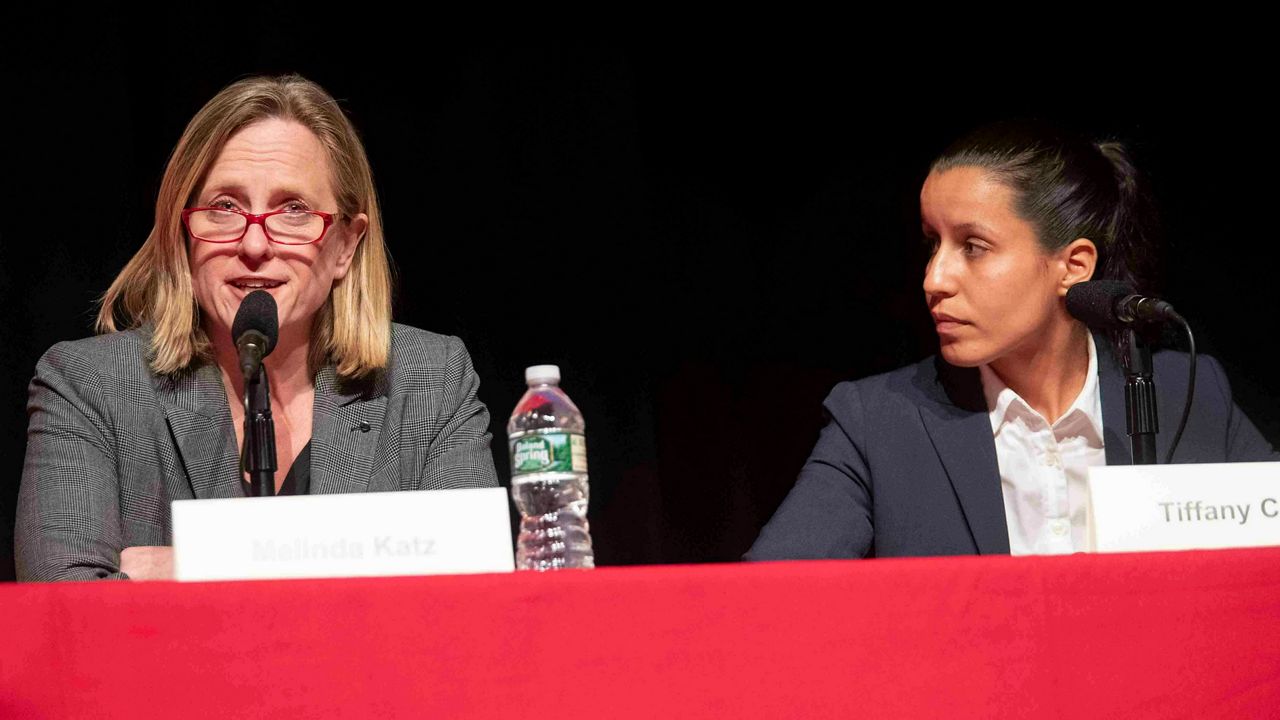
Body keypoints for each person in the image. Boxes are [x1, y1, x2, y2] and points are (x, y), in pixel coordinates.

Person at [17, 75, 498, 581]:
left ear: (345, 246)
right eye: (225, 206)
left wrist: (192, 567)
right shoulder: (88, 386)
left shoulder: (430, 380)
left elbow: (470, 598)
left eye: (293, 209)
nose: (253, 245)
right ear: (184, 230)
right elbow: (64, 618)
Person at [747, 121, 1278, 560]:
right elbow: (765, 603)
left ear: (1073, 267)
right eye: (933, 244)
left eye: (973, 247)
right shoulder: (877, 422)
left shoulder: (1188, 393)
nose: (935, 279)